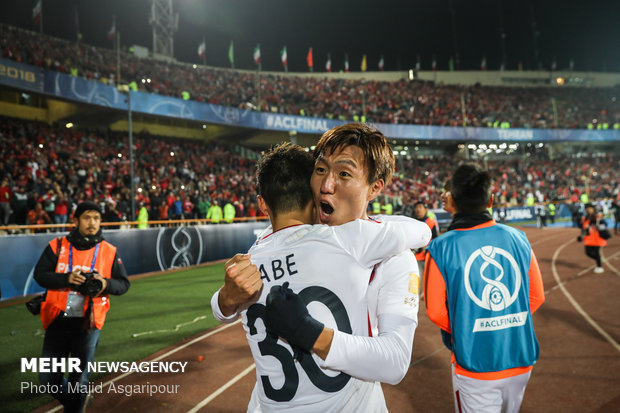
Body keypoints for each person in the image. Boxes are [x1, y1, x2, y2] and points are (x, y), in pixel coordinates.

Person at [214, 123, 425, 408]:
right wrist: (225, 299)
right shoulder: (274, 238)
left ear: (375, 187)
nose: (326, 185)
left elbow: (395, 360)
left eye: (344, 174)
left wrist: (311, 333)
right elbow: (224, 304)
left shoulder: (395, 257)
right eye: (321, 169)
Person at [425, 163, 545, 413]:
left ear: (453, 200)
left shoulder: (440, 247)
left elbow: (435, 311)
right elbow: (536, 296)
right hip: (520, 358)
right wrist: (503, 320)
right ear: (490, 199)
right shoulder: (518, 238)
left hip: (475, 364)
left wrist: (469, 327)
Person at [33, 201, 130, 412]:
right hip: (57, 320)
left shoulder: (109, 250)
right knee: (48, 378)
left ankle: (77, 403)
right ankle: (79, 401)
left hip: (89, 323)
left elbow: (123, 284)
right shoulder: (57, 246)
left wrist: (104, 283)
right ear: (76, 220)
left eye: (96, 218)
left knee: (79, 379)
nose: (92, 222)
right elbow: (40, 275)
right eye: (87, 217)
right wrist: (68, 278)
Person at [413, 200, 440, 275]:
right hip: (414, 257)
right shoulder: (412, 222)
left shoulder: (431, 222)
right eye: (416, 207)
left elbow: (435, 239)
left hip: (427, 256)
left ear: (426, 209)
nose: (418, 209)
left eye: (420, 207)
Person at [581, 203, 607, 273]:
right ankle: (599, 260)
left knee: (596, 252)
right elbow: (584, 227)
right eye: (587, 209)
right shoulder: (586, 217)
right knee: (588, 252)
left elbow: (603, 224)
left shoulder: (596, 216)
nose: (588, 210)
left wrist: (599, 218)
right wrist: (581, 236)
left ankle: (599, 266)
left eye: (589, 208)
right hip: (589, 239)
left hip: (597, 238)